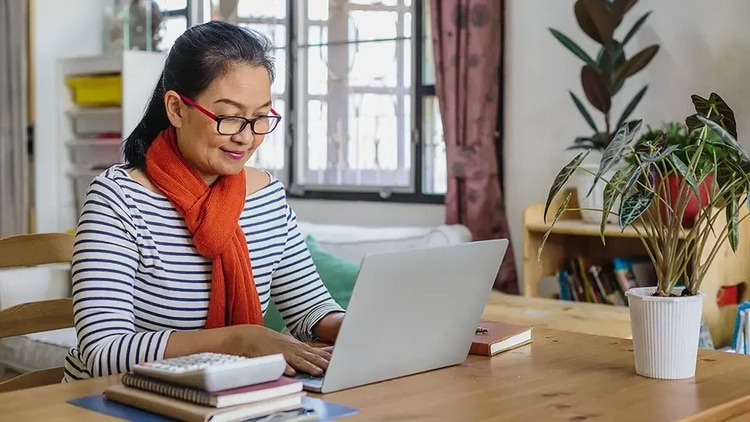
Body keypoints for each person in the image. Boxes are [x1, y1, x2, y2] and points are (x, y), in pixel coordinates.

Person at [63, 21, 345, 382]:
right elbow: (104, 352)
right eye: (229, 118)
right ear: (177, 108)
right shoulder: (119, 198)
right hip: (115, 400)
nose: (246, 138)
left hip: (226, 395)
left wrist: (357, 328)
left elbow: (310, 310)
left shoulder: (267, 197)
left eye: (259, 118)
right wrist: (241, 340)